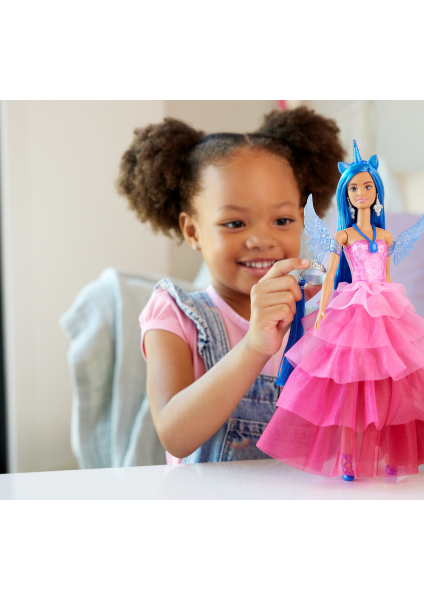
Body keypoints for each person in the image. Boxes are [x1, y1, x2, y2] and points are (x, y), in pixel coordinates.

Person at [116, 107, 344, 464]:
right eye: (235, 223)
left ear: (303, 220)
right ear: (193, 231)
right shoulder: (174, 314)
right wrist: (254, 347)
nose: (262, 240)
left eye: (282, 220)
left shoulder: (322, 315)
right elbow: (174, 436)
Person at [256, 141, 424, 479]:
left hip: (384, 304)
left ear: (377, 193)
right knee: (349, 383)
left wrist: (396, 310)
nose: (360, 193)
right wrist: (322, 309)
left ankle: (395, 452)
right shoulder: (344, 236)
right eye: (354, 188)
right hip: (353, 304)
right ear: (346, 195)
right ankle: (348, 458)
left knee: (391, 381)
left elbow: (387, 277)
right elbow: (331, 275)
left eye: (366, 187)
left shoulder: (386, 237)